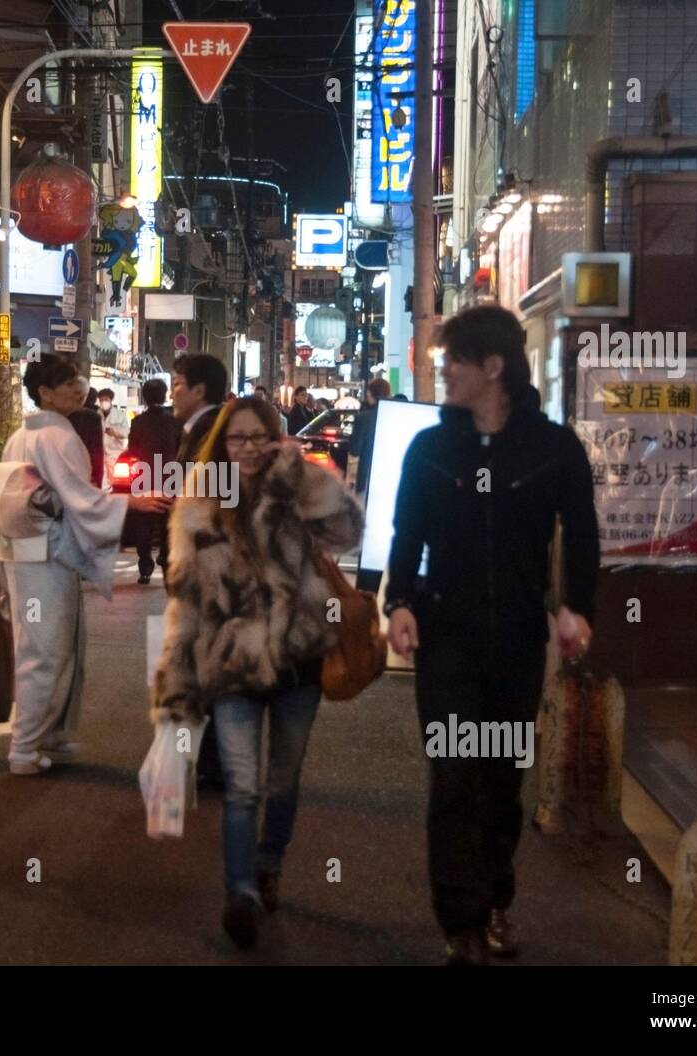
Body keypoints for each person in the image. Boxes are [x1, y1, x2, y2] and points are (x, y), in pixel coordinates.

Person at [383, 305, 599, 966]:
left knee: (501, 778)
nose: (441, 370)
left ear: (493, 367)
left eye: (453, 360)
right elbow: (407, 533)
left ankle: (496, 895)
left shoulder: (554, 447)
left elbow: (583, 534)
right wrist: (400, 603)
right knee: (454, 775)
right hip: (446, 635)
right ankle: (462, 925)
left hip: (514, 640)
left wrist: (575, 609)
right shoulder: (430, 447)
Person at [152, 397, 363, 950]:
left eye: (257, 438)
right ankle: (241, 892)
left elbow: (348, 532)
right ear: (222, 443)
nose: (246, 449)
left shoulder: (293, 487)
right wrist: (176, 681)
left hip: (299, 659)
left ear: (275, 439)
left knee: (282, 782)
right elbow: (186, 597)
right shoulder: (202, 498)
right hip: (232, 664)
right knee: (242, 787)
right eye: (236, 439)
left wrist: (299, 473)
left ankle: (270, 864)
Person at [0, 355, 170, 775]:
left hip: (21, 550)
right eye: (66, 383)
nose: (78, 388)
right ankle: (25, 748)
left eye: (77, 380)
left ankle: (44, 736)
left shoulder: (25, 432)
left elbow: (15, 495)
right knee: (45, 650)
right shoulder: (56, 435)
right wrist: (130, 502)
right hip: (45, 555)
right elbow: (79, 498)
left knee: (43, 645)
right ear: (45, 393)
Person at [167, 353, 229, 786]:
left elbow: (214, 505)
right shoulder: (204, 429)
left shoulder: (212, 432)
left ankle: (214, 764)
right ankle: (211, 761)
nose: (172, 392)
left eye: (177, 384)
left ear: (199, 390)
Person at [124, 378, 181, 584]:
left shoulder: (138, 421)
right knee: (168, 521)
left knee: (144, 523)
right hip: (170, 477)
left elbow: (132, 449)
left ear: (144, 397)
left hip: (144, 476)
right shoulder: (174, 420)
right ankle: (166, 560)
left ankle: (145, 566)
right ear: (164, 395)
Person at [347, 377, 392, 500]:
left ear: (371, 393)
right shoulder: (394, 416)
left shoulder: (363, 418)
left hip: (368, 475)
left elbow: (354, 449)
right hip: (390, 477)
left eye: (368, 392)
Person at [68, 380, 105, 489]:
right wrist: (97, 479)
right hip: (88, 469)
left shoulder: (67, 414)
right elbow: (96, 450)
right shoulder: (94, 417)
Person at [97, 388, 130, 486]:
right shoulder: (96, 415)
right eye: (101, 400)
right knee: (102, 481)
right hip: (100, 453)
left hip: (114, 453)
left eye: (106, 399)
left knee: (114, 480)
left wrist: (115, 432)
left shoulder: (120, 415)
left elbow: (126, 432)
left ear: (111, 400)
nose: (103, 402)